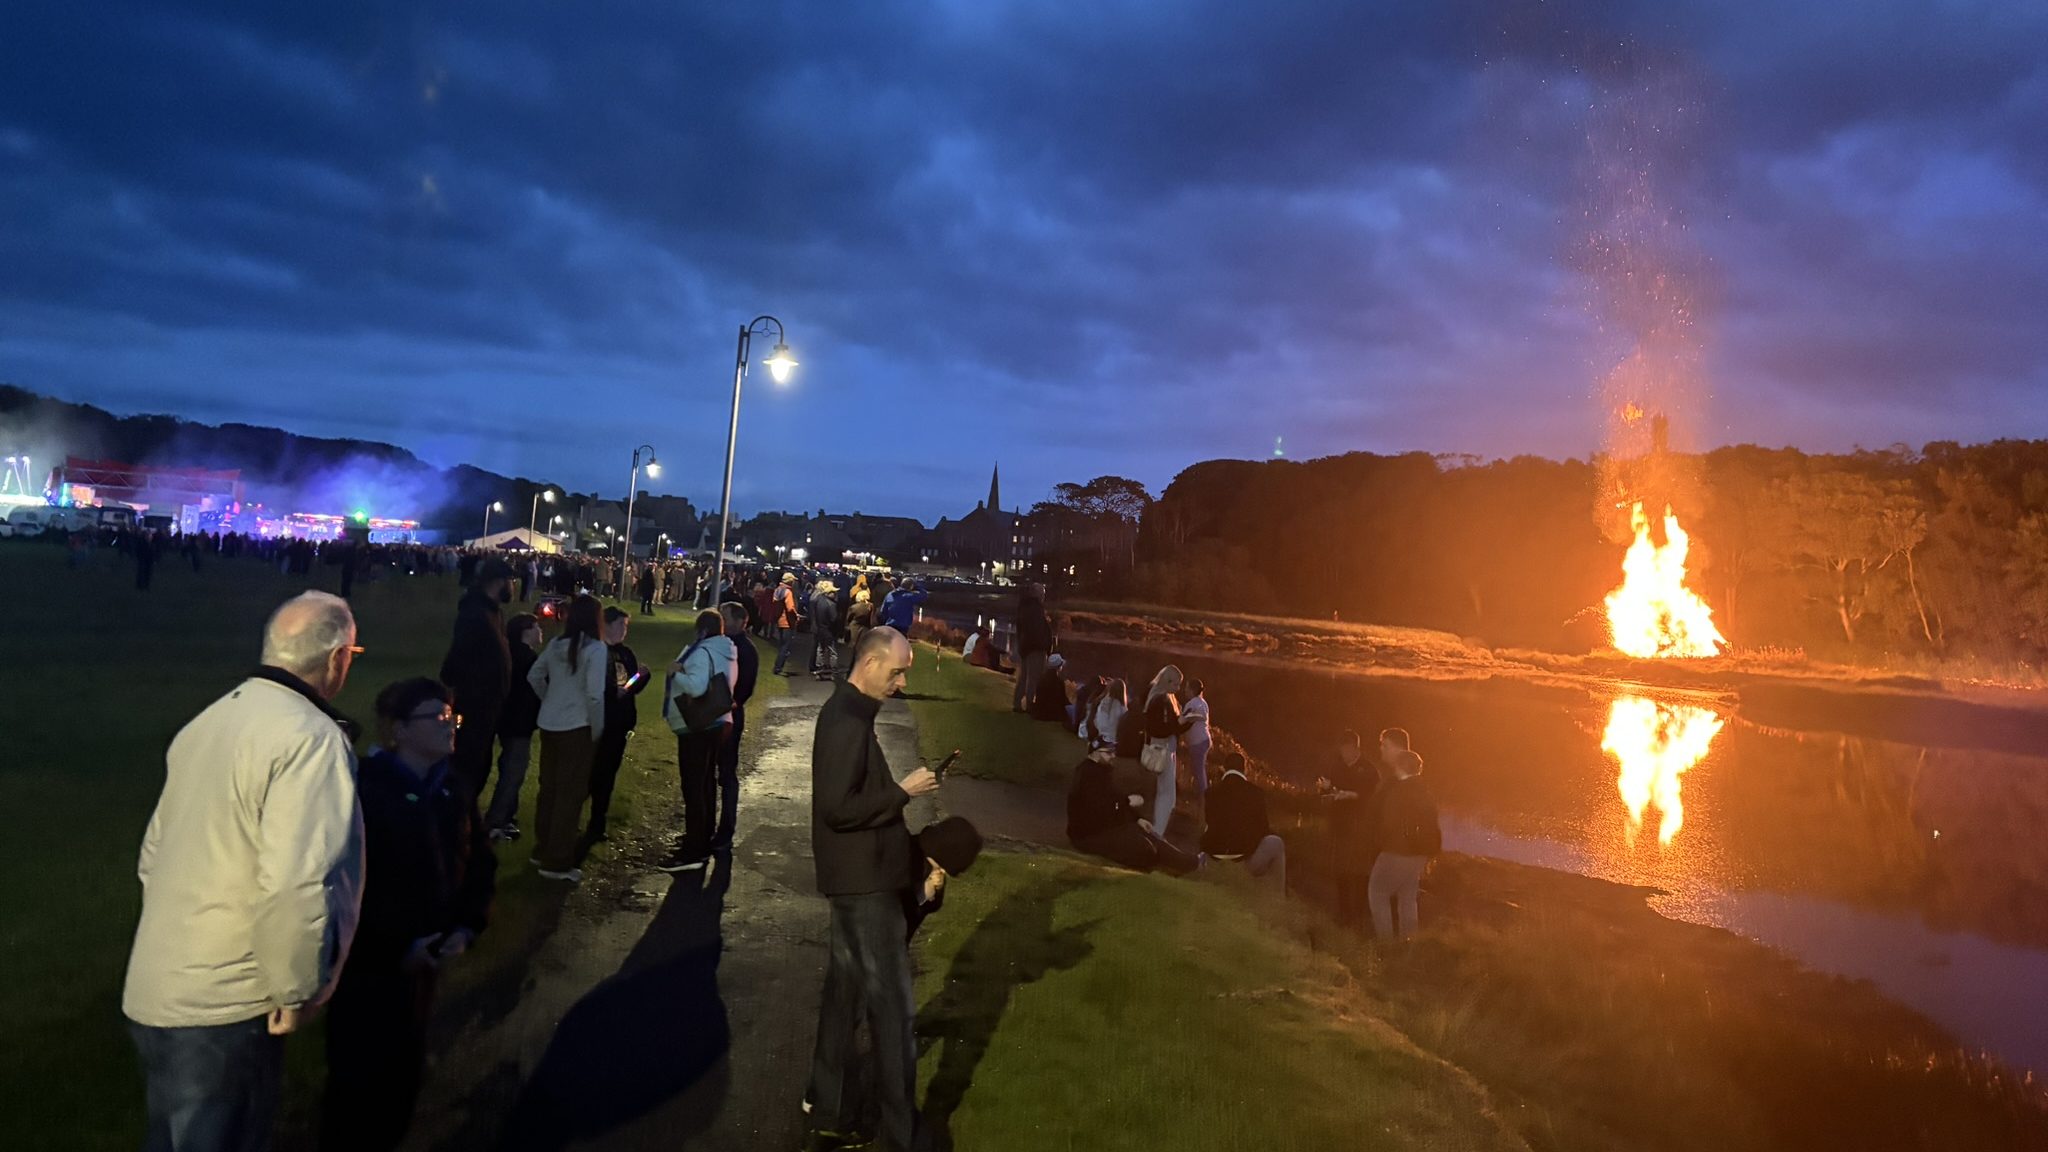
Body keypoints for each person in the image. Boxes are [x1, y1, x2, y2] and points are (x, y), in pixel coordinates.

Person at [123, 592, 366, 1152]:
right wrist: (296, 988)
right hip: (227, 1004)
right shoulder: (310, 738)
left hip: (158, 983)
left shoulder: (207, 723)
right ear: (337, 659)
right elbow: (297, 883)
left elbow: (153, 855)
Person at [321, 679, 495, 1152]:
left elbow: (479, 863)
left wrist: (466, 925)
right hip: (367, 971)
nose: (450, 726)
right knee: (356, 1089)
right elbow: (347, 889)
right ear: (398, 730)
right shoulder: (364, 792)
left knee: (402, 1082)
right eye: (437, 717)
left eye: (452, 716)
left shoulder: (452, 789)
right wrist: (395, 948)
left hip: (425, 967)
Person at [805, 627, 941, 1152]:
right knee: (893, 1013)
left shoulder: (852, 714)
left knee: (844, 1000)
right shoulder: (845, 720)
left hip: (856, 881)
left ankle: (832, 1110)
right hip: (864, 888)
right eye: (897, 671)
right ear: (869, 663)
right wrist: (903, 792)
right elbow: (837, 808)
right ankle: (902, 1135)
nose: (901, 682)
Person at [526, 594, 607, 882]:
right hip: (578, 726)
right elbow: (595, 695)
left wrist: (549, 699)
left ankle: (542, 847)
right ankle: (557, 859)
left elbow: (534, 676)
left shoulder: (556, 644)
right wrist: (597, 728)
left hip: (550, 723)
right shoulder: (596, 649)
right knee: (569, 793)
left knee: (549, 788)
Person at [661, 610, 736, 872]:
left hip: (697, 726)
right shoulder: (726, 651)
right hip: (715, 723)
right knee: (705, 784)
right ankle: (701, 838)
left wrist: (675, 673)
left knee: (694, 787)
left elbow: (696, 687)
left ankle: (693, 850)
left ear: (701, 630)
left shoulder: (703, 652)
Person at [439, 557, 514, 801]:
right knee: (468, 764)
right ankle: (457, 812)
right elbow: (459, 655)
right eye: (510, 581)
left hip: (489, 705)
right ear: (498, 582)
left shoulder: (494, 613)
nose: (512, 587)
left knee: (480, 764)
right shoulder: (475, 613)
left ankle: (466, 812)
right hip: (474, 704)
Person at [1064, 747, 1199, 875]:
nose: (1113, 756)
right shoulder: (1086, 776)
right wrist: (1127, 801)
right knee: (1143, 848)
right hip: (1089, 835)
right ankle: (1165, 865)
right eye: (1108, 753)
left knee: (1149, 835)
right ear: (1094, 753)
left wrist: (1137, 818)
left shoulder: (1101, 771)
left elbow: (1113, 799)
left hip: (1105, 828)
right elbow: (1099, 809)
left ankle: (1188, 862)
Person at [585, 607, 648, 843]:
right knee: (590, 772)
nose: (625, 630)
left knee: (607, 775)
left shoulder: (626, 654)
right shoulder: (597, 651)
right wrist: (614, 693)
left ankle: (597, 822)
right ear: (608, 625)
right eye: (621, 624)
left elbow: (631, 684)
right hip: (598, 720)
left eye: (626, 626)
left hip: (619, 724)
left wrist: (640, 677)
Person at [1368, 748, 1441, 940]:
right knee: (1407, 898)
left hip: (1396, 850)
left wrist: (1378, 842)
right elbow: (1433, 822)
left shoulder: (1398, 791)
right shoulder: (1425, 791)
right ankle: (1409, 942)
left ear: (1398, 767)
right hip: (1420, 853)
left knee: (1377, 892)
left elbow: (1388, 822)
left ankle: (1386, 943)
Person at [487, 613, 544, 841]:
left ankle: (508, 815)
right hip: (519, 721)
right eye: (536, 627)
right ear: (525, 631)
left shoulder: (507, 654)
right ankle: (497, 820)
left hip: (506, 719)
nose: (540, 631)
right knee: (514, 771)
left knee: (509, 767)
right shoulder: (527, 659)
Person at [1317, 729, 1380, 928]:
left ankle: (1360, 913)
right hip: (1340, 825)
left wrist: (1352, 795)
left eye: (1347, 749)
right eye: (1342, 749)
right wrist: (1325, 788)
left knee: (1360, 871)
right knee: (1341, 869)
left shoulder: (1369, 770)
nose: (1344, 753)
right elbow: (1329, 792)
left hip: (1361, 827)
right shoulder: (1336, 766)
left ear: (1355, 747)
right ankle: (1343, 913)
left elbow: (1373, 797)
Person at [1201, 752, 1286, 894]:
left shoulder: (1211, 793)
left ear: (1224, 768)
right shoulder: (1256, 793)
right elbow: (1264, 829)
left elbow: (1210, 823)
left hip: (1215, 858)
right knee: (1276, 842)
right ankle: (1278, 895)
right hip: (1243, 860)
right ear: (1244, 769)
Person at [713, 601, 757, 850]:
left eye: (726, 618)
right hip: (714, 715)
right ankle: (706, 827)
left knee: (727, 773)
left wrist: (731, 703)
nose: (722, 622)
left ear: (741, 622)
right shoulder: (719, 643)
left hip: (729, 716)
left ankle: (726, 829)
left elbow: (745, 688)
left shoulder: (745, 650)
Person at [1141, 665, 1198, 834]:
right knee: (1167, 794)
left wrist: (1184, 722)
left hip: (1162, 747)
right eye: (1176, 684)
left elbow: (1167, 727)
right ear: (1168, 682)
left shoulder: (1160, 697)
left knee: (1163, 791)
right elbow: (1163, 729)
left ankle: (1157, 829)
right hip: (1163, 748)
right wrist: (1186, 722)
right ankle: (1158, 831)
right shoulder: (1162, 700)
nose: (1178, 688)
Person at [1011, 583, 1053, 712]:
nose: (1044, 596)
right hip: (1035, 647)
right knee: (1033, 677)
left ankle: (1017, 703)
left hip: (1026, 646)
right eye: (1043, 593)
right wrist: (1043, 644)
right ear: (1038, 594)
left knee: (1024, 676)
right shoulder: (1035, 609)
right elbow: (1037, 629)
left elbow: (1024, 627)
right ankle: (1029, 704)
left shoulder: (1025, 607)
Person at [1182, 678, 1214, 804]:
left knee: (1199, 771)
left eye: (1187, 688)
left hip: (1198, 742)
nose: (1185, 690)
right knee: (1197, 769)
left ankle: (1204, 798)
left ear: (1192, 690)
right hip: (1203, 739)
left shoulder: (1193, 704)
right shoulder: (1202, 702)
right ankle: (1199, 795)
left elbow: (1186, 719)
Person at [809, 578, 842, 681]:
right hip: (829, 631)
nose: (835, 594)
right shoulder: (831, 604)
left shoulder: (818, 601)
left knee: (820, 650)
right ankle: (834, 671)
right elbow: (834, 619)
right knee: (832, 652)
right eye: (833, 592)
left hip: (820, 629)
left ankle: (819, 670)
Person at [772, 572, 803, 676]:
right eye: (793, 580)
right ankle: (778, 668)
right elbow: (790, 608)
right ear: (790, 581)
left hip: (779, 620)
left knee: (782, 645)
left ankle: (777, 667)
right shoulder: (788, 592)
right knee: (785, 647)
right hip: (787, 622)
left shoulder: (777, 590)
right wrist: (796, 615)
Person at [1028, 652, 1071, 722]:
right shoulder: (1058, 682)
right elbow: (1063, 700)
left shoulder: (1042, 678)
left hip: (1040, 713)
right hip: (1052, 714)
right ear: (1059, 667)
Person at [846, 586, 876, 655]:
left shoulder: (854, 607)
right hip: (866, 627)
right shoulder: (871, 606)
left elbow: (848, 618)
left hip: (855, 628)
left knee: (854, 646)